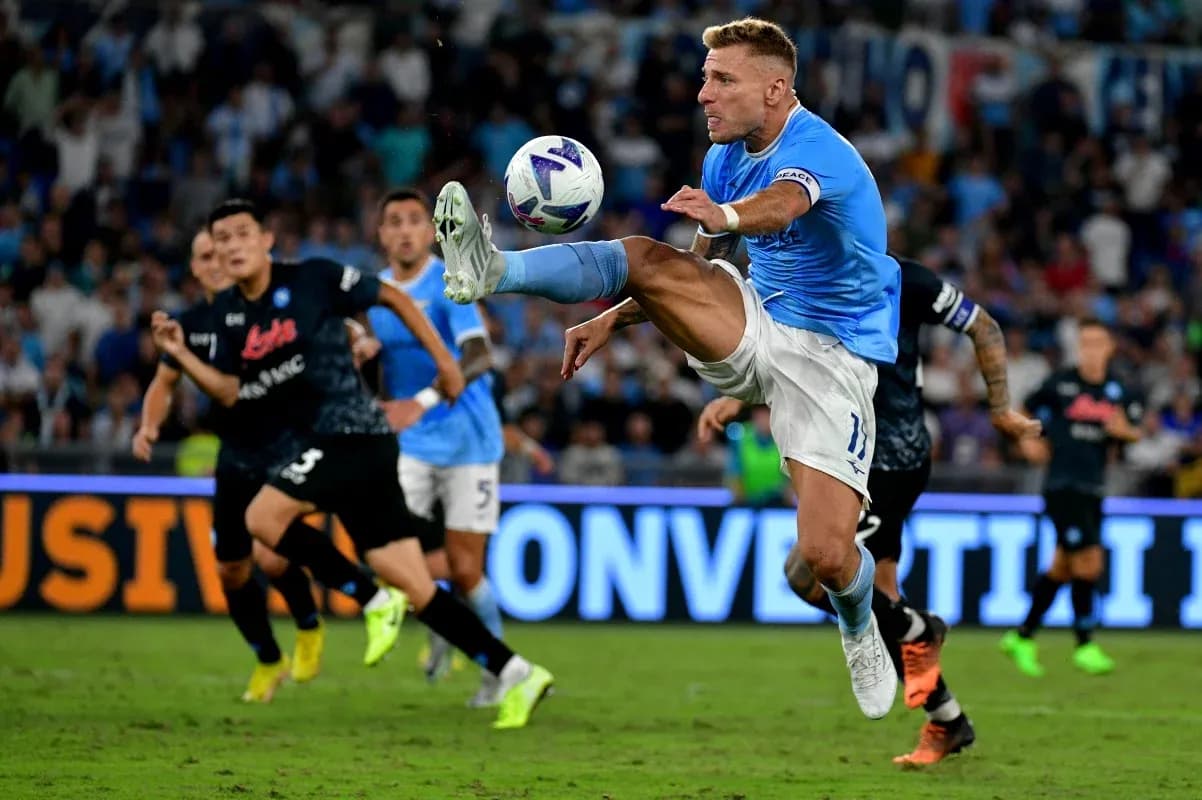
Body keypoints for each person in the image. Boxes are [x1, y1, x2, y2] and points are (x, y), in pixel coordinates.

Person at [436, 18, 900, 719]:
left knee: (827, 557)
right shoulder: (722, 160)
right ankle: (492, 267)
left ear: (775, 90)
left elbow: (783, 207)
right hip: (754, 322)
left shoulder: (820, 152)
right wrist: (612, 314)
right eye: (705, 77)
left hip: (832, 358)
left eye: (722, 80)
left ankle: (860, 620)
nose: (702, 94)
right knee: (648, 257)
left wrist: (730, 214)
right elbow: (696, 271)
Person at [152, 199, 553, 729]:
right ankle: (516, 671)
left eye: (242, 234)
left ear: (267, 239)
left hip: (352, 435)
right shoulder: (233, 320)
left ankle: (368, 600)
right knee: (418, 587)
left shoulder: (314, 278)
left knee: (261, 520)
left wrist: (444, 366)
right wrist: (180, 357)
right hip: (350, 446)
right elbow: (227, 391)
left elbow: (390, 297)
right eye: (220, 239)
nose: (231, 246)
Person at [698, 256, 1041, 764]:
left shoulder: (905, 277)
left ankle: (918, 629)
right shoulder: (806, 271)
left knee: (808, 571)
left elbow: (984, 325)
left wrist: (1000, 409)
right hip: (858, 453)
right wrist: (741, 397)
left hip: (888, 459)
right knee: (879, 599)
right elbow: (791, 355)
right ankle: (946, 719)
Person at [133, 229, 323, 703]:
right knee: (231, 573)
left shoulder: (272, 307)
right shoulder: (191, 325)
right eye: (204, 255)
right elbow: (164, 381)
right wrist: (148, 425)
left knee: (273, 554)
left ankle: (308, 625)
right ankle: (267, 658)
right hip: (235, 454)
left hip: (287, 445)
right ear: (195, 269)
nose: (216, 259)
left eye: (221, 250)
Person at [366, 187, 509, 708]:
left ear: (430, 232)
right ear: (381, 235)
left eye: (413, 221)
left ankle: (495, 668)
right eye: (393, 221)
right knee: (386, 552)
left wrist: (420, 401)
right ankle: (443, 621)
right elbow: (373, 366)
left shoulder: (450, 282)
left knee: (466, 570)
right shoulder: (374, 292)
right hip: (412, 443)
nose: (404, 230)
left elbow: (478, 358)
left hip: (470, 439)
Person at [1002, 318, 1142, 678]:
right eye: (1086, 343)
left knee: (1062, 566)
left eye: (1098, 342)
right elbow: (1025, 407)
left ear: (1110, 348)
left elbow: (1134, 433)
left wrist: (1122, 431)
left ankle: (1023, 635)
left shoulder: (1119, 390)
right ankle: (1084, 644)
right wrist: (1028, 439)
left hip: (1094, 486)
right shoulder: (1060, 383)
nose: (1091, 349)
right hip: (1062, 485)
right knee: (1089, 563)